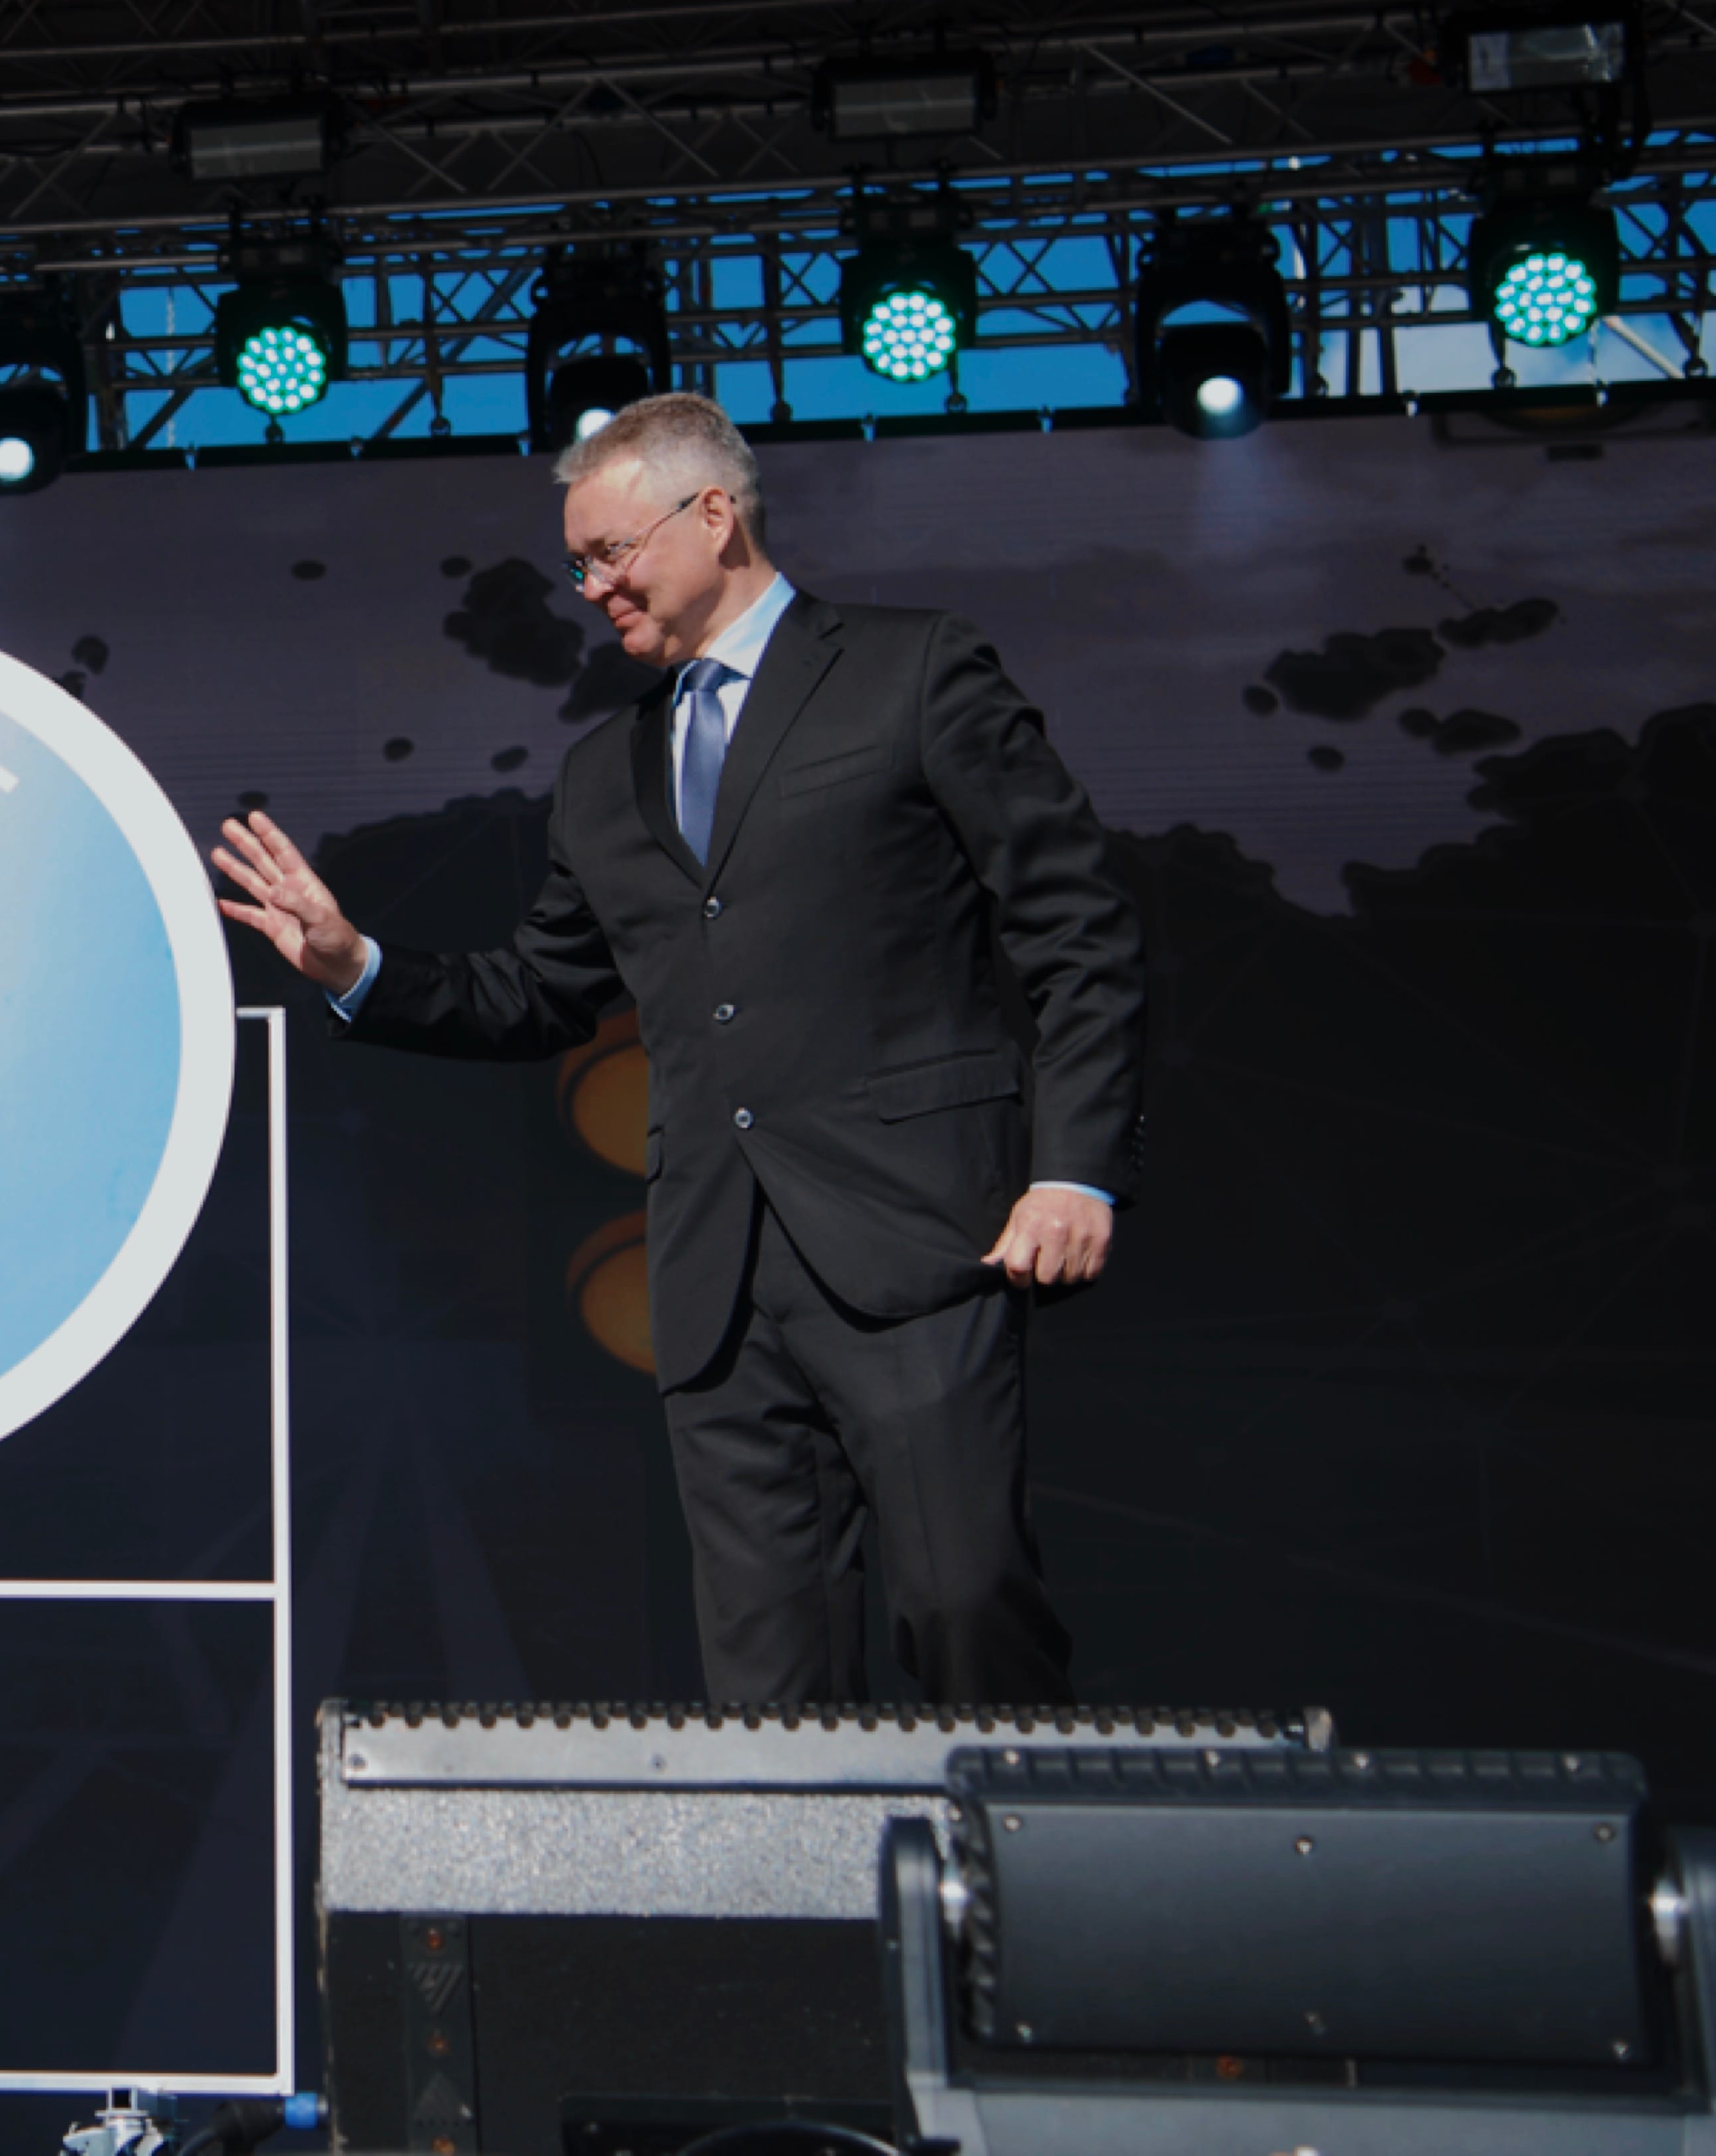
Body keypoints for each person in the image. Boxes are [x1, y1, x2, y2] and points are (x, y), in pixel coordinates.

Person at [213, 395, 1142, 1705]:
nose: (593, 589)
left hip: (916, 1238)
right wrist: (356, 964)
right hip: (715, 1287)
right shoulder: (605, 774)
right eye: (578, 566)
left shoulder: (916, 670)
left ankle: (1023, 1847)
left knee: (966, 1613)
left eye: (610, 553)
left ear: (715, 515)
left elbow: (1077, 927)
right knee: (766, 1685)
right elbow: (539, 992)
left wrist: (1075, 1169)